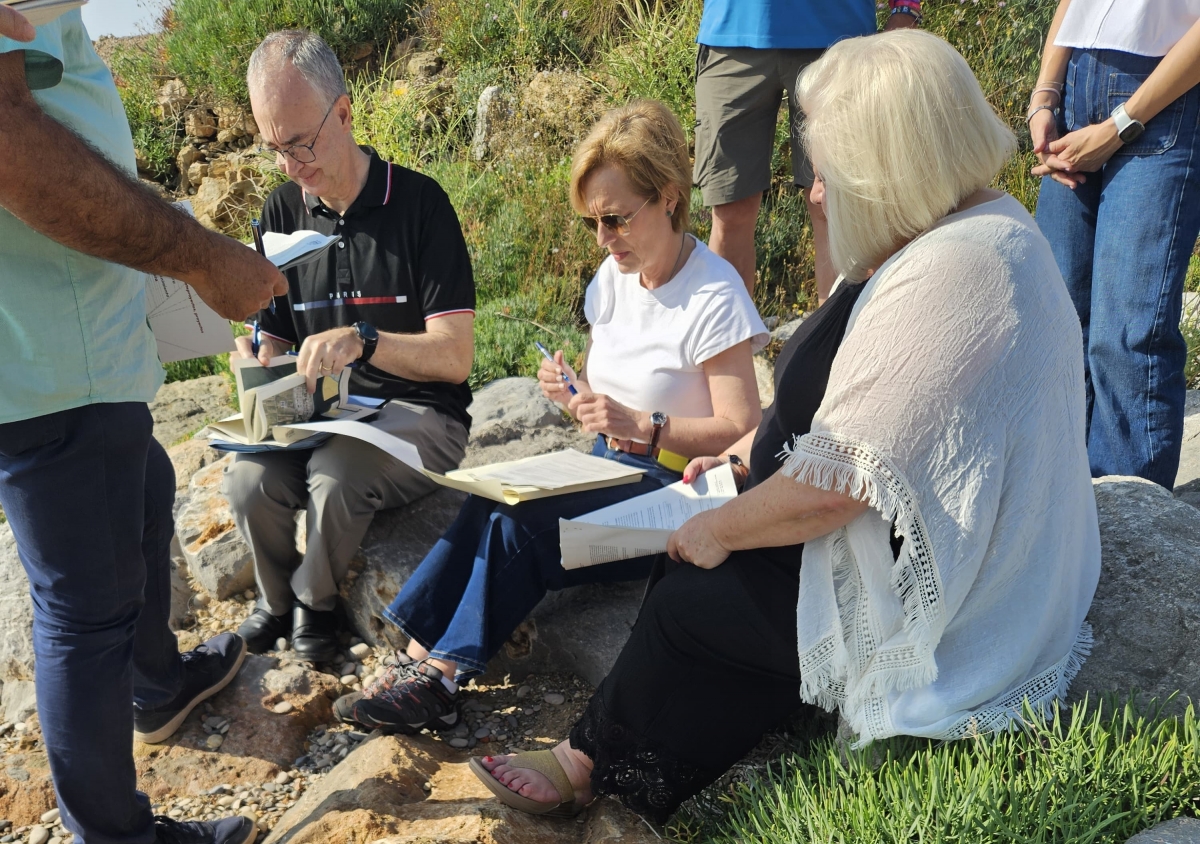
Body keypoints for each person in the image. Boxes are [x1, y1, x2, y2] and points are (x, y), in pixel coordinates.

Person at [470, 30, 1102, 822]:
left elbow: (843, 484)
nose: (818, 190)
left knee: (692, 593)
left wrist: (726, 523)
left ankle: (602, 770)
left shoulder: (958, 270)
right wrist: (739, 465)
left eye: (832, 171)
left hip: (956, 611)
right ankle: (616, 765)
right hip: (912, 540)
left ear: (888, 164)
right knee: (700, 576)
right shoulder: (966, 226)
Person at [332, 99, 768, 735]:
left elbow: (741, 427)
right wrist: (575, 393)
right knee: (489, 499)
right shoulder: (612, 279)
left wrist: (645, 425)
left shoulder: (714, 292)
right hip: (610, 466)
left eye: (615, 219)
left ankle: (443, 680)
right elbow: (603, 398)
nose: (603, 238)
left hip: (682, 491)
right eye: (592, 221)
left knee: (523, 527)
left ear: (670, 197)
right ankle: (414, 656)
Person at [0, 10, 288, 844]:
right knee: (84, 611)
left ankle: (157, 683)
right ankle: (117, 834)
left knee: (147, 486)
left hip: (72, 351)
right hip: (52, 360)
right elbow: (16, 147)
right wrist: (200, 256)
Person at [224, 30, 477, 664]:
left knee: (334, 478)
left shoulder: (420, 205)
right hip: (320, 416)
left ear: (343, 113)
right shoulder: (282, 209)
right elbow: (275, 333)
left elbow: (454, 356)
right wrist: (259, 359)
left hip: (421, 417)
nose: (289, 165)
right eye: (273, 148)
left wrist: (364, 342)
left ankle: (317, 605)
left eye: (300, 143)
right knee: (249, 478)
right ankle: (274, 605)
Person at [1030, 0, 1200, 489]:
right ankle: (1059, 513)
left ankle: (1126, 539)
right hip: (1077, 79)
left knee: (1127, 338)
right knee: (1058, 323)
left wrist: (1121, 123)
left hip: (1167, 94)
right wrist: (1046, 94)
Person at [695, 0, 919, 299]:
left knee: (836, 210)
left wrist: (905, 10)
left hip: (838, 37)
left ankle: (841, 344)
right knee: (729, 211)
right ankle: (725, 346)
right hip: (732, 34)